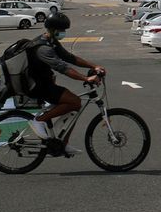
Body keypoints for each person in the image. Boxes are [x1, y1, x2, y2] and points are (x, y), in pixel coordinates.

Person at [25, 13, 106, 155]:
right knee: (74, 101)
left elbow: (69, 58)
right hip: (36, 86)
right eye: (62, 30)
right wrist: (86, 79)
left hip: (45, 83)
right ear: (54, 29)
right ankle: (39, 120)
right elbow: (63, 68)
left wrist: (94, 66)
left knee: (75, 106)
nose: (64, 33)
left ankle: (63, 143)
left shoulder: (51, 42)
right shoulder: (43, 48)